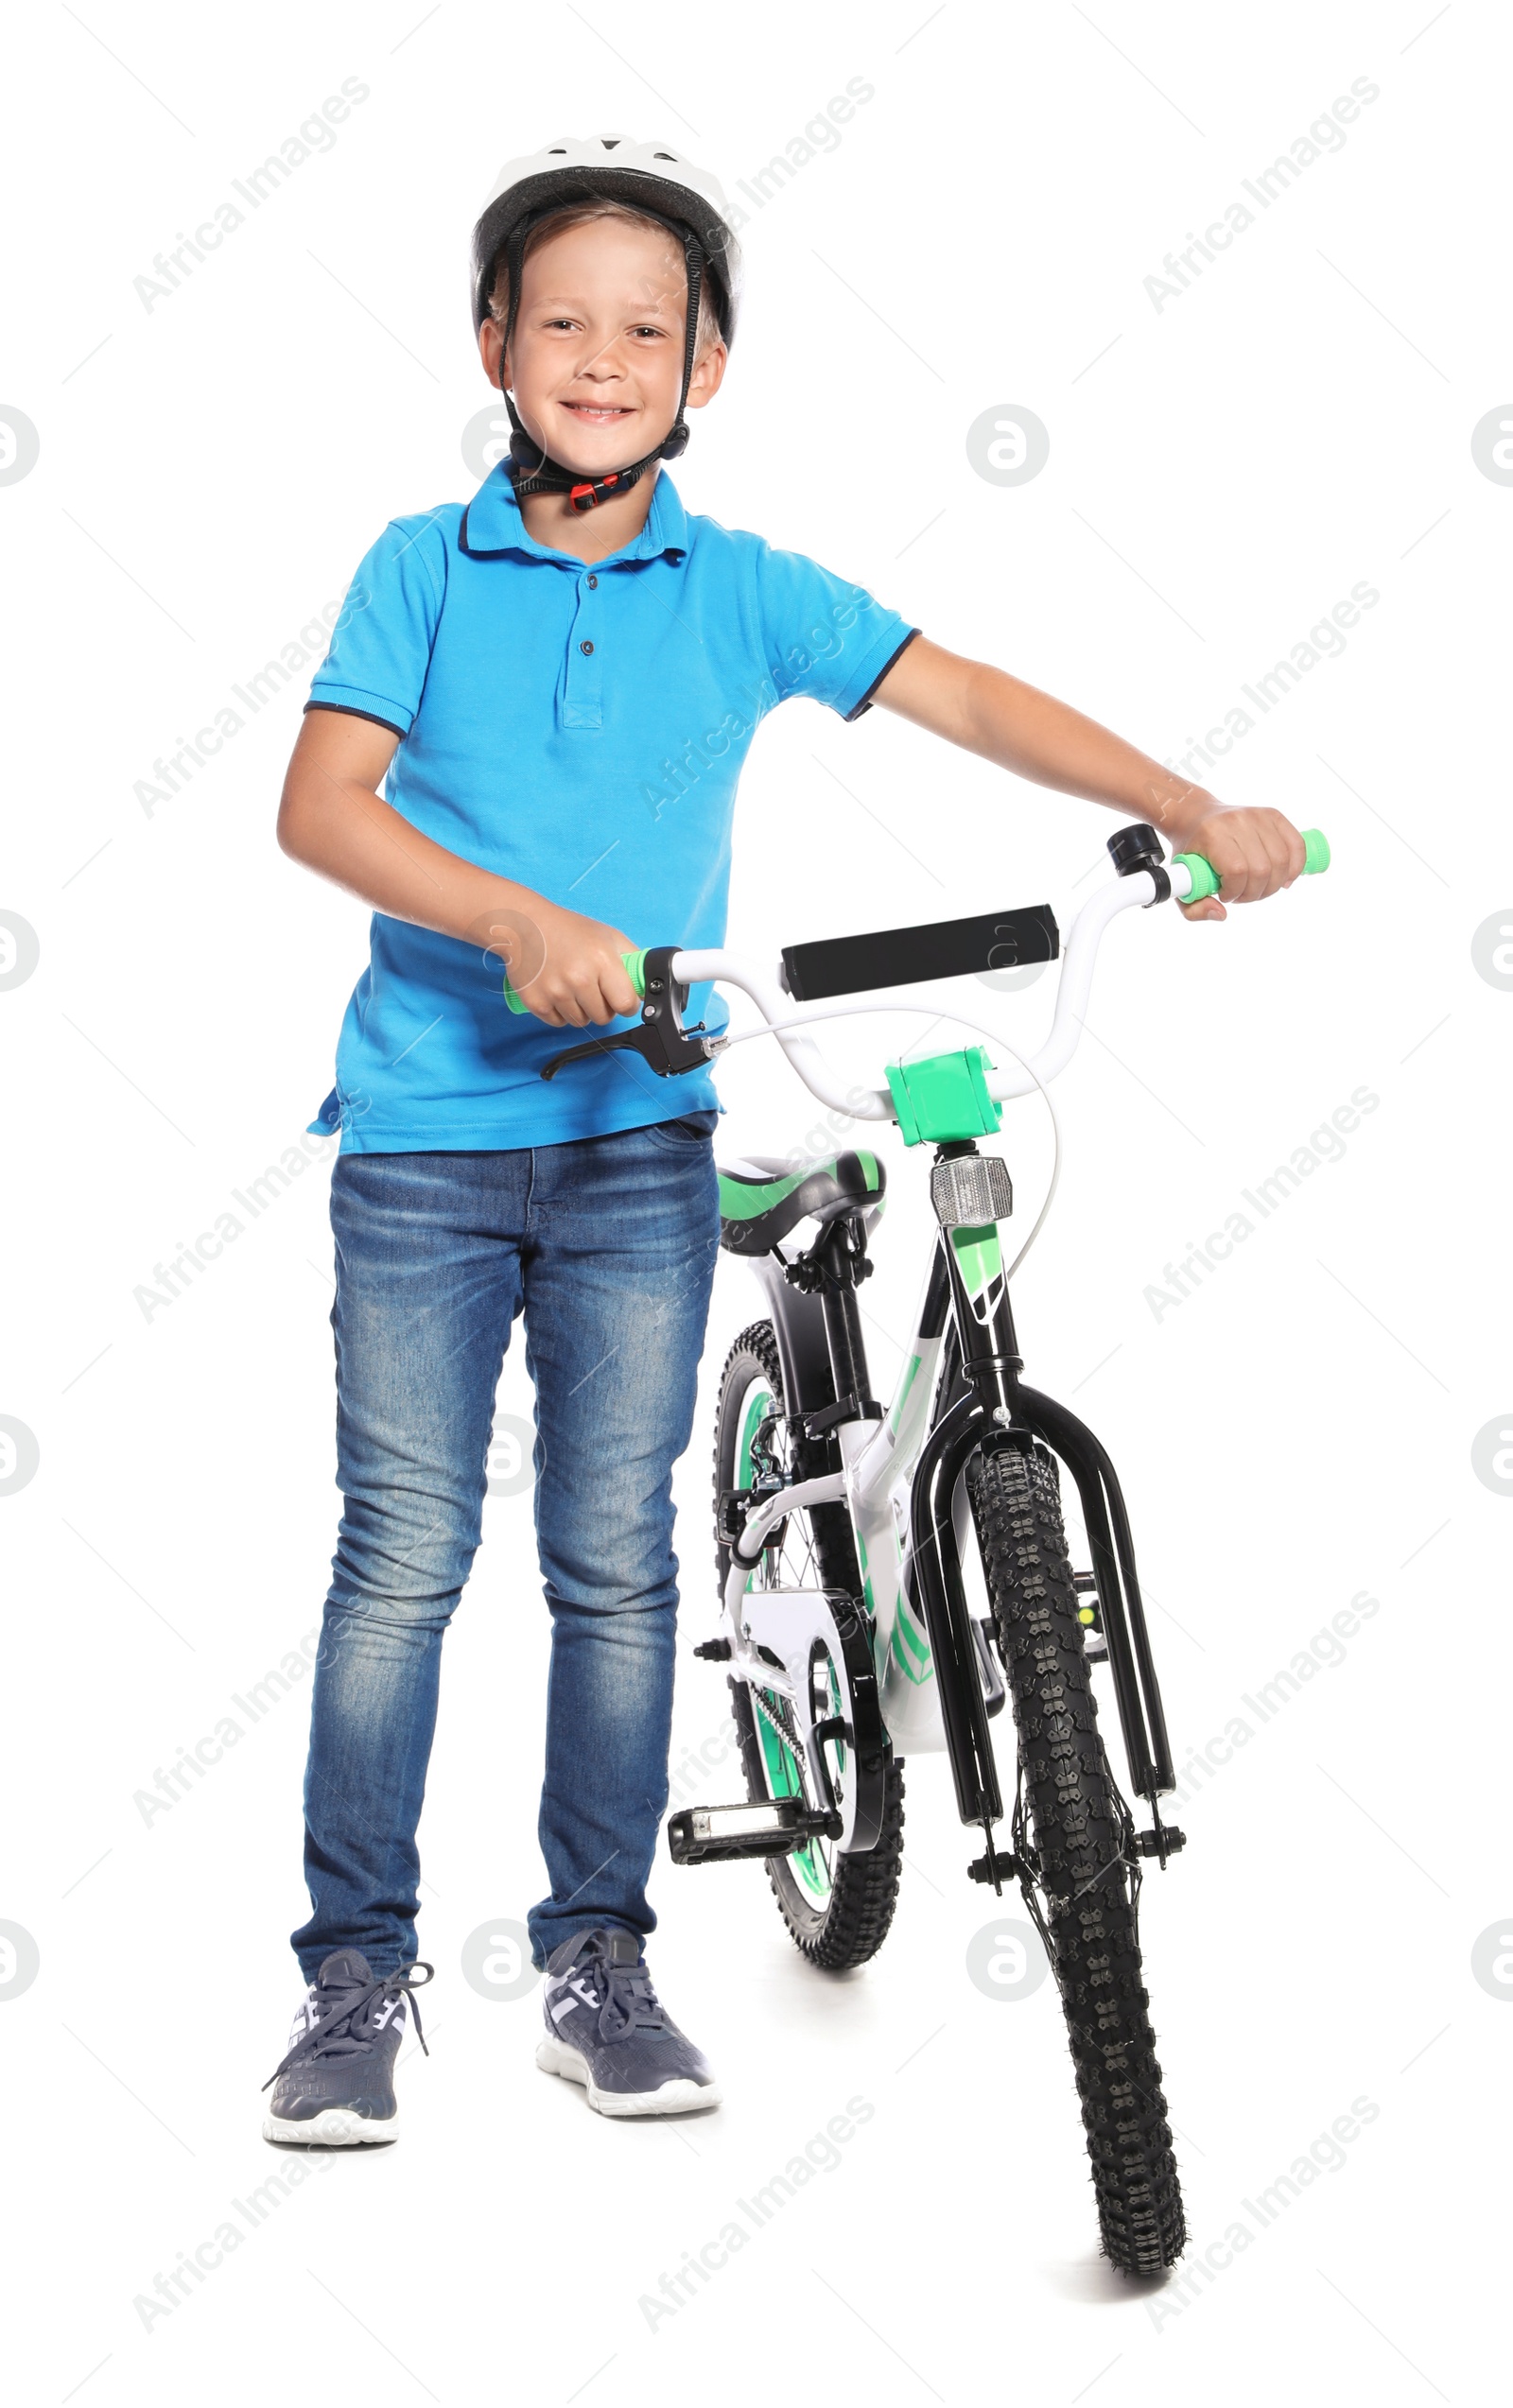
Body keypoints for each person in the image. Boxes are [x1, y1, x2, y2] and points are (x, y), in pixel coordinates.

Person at [262, 134, 1307, 2145]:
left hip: (640, 1135)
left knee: (611, 1560)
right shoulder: (418, 562)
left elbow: (969, 693)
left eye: (642, 327)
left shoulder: (741, 590)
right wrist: (515, 922)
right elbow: (322, 809)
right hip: (422, 1142)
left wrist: (1190, 804)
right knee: (402, 1556)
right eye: (558, 318)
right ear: (493, 344)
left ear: (702, 369)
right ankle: (352, 1977)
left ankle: (597, 1955)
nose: (598, 352)